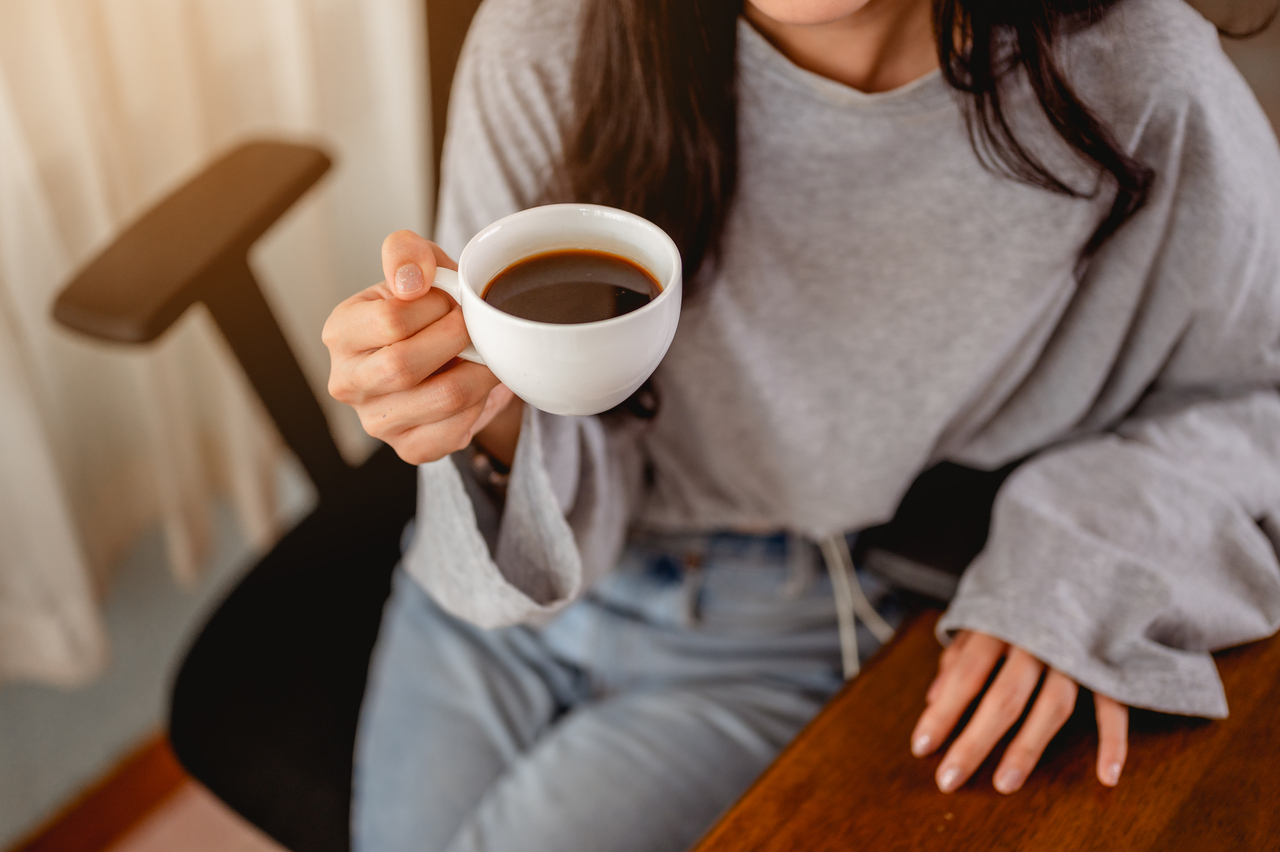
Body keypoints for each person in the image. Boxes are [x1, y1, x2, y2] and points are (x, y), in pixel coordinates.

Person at [322, 0, 1280, 849]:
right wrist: (476, 419)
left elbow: (1257, 398)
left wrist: (1078, 564)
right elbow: (507, 489)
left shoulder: (1135, 78)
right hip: (497, 599)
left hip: (773, 628)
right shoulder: (547, 36)